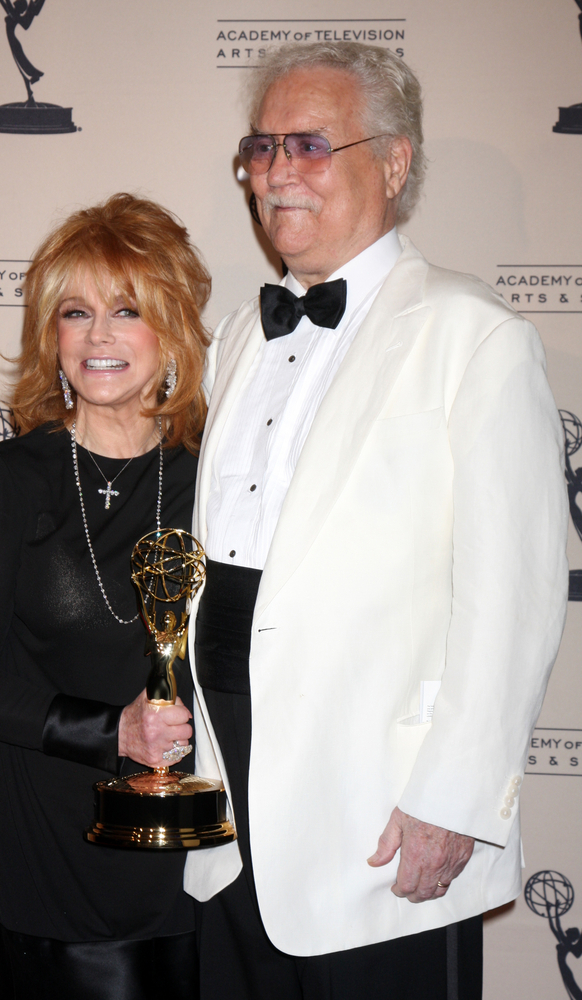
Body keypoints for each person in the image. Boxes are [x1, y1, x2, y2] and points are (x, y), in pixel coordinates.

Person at [184, 41, 569, 1000]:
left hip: (381, 813)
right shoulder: (237, 336)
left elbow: (513, 597)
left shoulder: (473, 334)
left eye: (310, 144)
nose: (277, 171)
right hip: (224, 793)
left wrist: (455, 799)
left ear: (393, 164)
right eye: (262, 146)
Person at [0, 193, 211, 1000]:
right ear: (51, 336)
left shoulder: (219, 475)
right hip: (58, 841)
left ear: (173, 330)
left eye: (127, 310)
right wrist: (109, 730)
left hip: (206, 852)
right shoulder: (12, 479)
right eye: (75, 312)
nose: (97, 336)